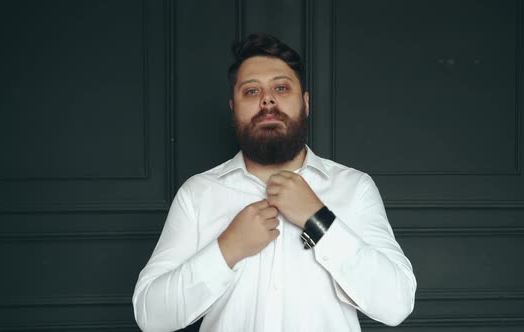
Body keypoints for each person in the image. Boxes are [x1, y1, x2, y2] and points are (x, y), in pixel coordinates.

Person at [132, 33, 416, 332]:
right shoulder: (198, 194)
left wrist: (319, 219)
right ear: (234, 109)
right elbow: (151, 316)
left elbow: (396, 304)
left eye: (281, 87)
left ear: (305, 103)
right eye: (251, 91)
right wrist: (228, 248)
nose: (267, 100)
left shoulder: (355, 188)